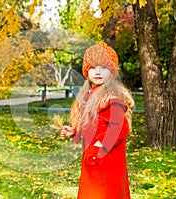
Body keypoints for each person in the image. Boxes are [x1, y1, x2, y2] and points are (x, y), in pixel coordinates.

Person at [61, 42, 135, 199]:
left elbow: (120, 127)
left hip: (106, 161)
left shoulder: (111, 97)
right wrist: (75, 132)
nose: (98, 72)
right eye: (93, 68)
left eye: (104, 68)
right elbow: (91, 127)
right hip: (93, 161)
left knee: (105, 194)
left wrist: (101, 145)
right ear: (87, 71)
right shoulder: (89, 95)